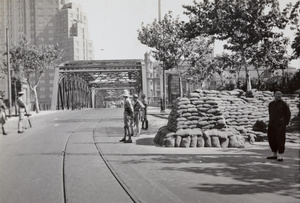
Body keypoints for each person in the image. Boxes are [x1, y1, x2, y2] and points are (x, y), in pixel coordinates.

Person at [267, 90, 291, 162]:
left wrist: (285, 123)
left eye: (280, 94)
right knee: (271, 138)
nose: (279, 95)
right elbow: (270, 114)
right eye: (277, 94)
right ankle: (274, 154)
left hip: (280, 125)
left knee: (280, 139)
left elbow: (288, 114)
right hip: (272, 124)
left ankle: (280, 155)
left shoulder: (284, 104)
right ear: (274, 95)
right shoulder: (271, 104)